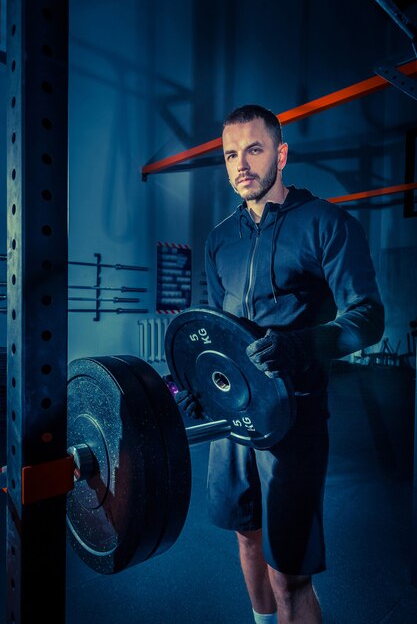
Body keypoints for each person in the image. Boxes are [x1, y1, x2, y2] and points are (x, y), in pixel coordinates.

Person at [175, 104, 384, 624]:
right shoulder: (219, 239)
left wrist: (300, 345)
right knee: (247, 539)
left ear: (281, 154)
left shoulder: (327, 224)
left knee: (289, 571)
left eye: (253, 149)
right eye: (230, 154)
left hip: (294, 416)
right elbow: (216, 329)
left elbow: (369, 317)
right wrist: (198, 381)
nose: (240, 164)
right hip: (232, 417)